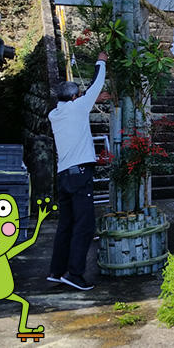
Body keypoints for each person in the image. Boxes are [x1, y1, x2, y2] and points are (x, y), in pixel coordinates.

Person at [47, 52, 108, 291]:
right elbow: (97, 84)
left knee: (66, 225)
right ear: (74, 97)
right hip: (80, 175)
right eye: (79, 95)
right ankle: (74, 274)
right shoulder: (77, 107)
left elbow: (87, 97)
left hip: (63, 175)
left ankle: (56, 271)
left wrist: (92, 100)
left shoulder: (56, 114)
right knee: (84, 226)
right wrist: (101, 61)